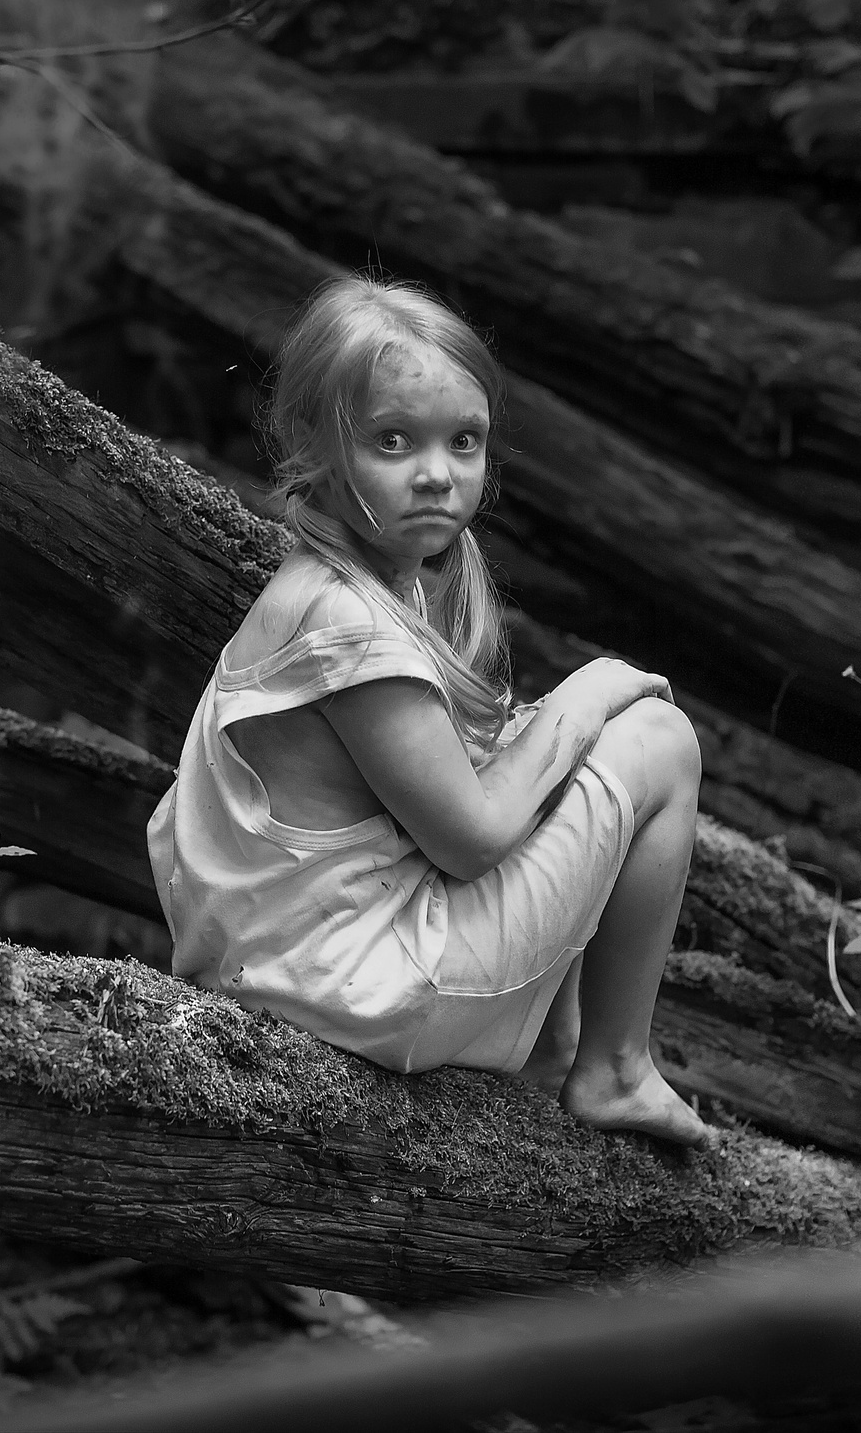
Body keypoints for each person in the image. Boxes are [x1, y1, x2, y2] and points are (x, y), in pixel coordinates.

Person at [146, 275, 709, 1147]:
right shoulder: (346, 624)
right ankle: (616, 1068)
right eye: (394, 440)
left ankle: (554, 1052)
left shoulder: (351, 584)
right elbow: (471, 837)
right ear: (314, 441)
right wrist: (590, 686)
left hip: (300, 958)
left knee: (541, 753)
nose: (438, 474)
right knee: (659, 741)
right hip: (358, 986)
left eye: (465, 440)